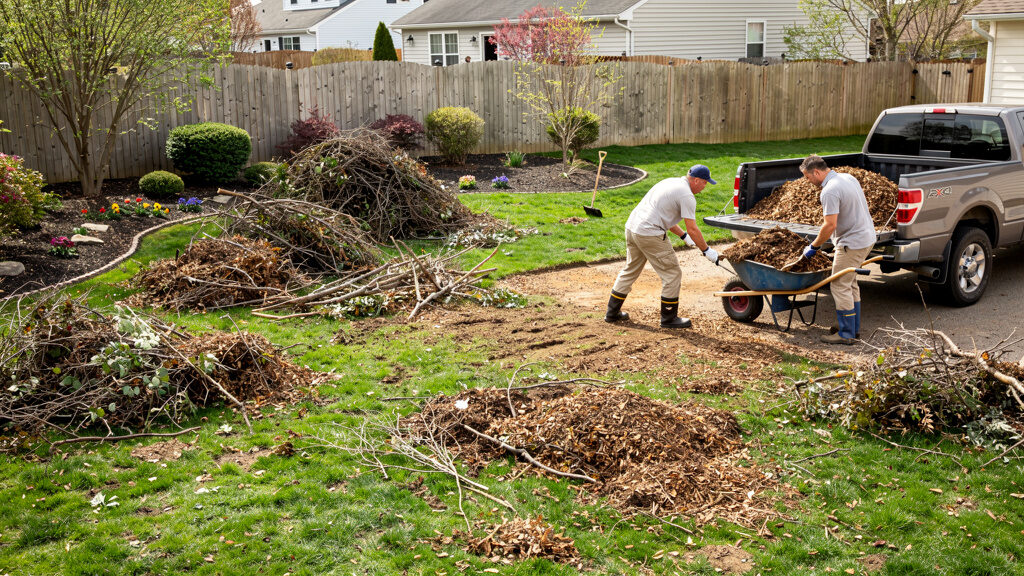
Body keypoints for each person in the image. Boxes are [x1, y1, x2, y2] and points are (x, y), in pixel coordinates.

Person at [605, 164, 720, 329]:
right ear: (696, 180)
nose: (704, 186)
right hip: (650, 233)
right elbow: (693, 229)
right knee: (672, 273)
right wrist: (707, 251)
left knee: (630, 269)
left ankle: (612, 313)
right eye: (704, 182)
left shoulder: (670, 182)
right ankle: (669, 318)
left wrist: (683, 236)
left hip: (632, 228)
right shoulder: (687, 196)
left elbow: (663, 215)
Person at [798, 155, 875, 345]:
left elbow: (829, 225)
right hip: (867, 237)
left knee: (839, 285)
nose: (808, 181)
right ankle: (852, 328)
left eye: (808, 177)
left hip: (852, 243)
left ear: (816, 172)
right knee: (850, 282)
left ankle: (846, 333)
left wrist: (813, 247)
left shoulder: (829, 191)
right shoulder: (847, 178)